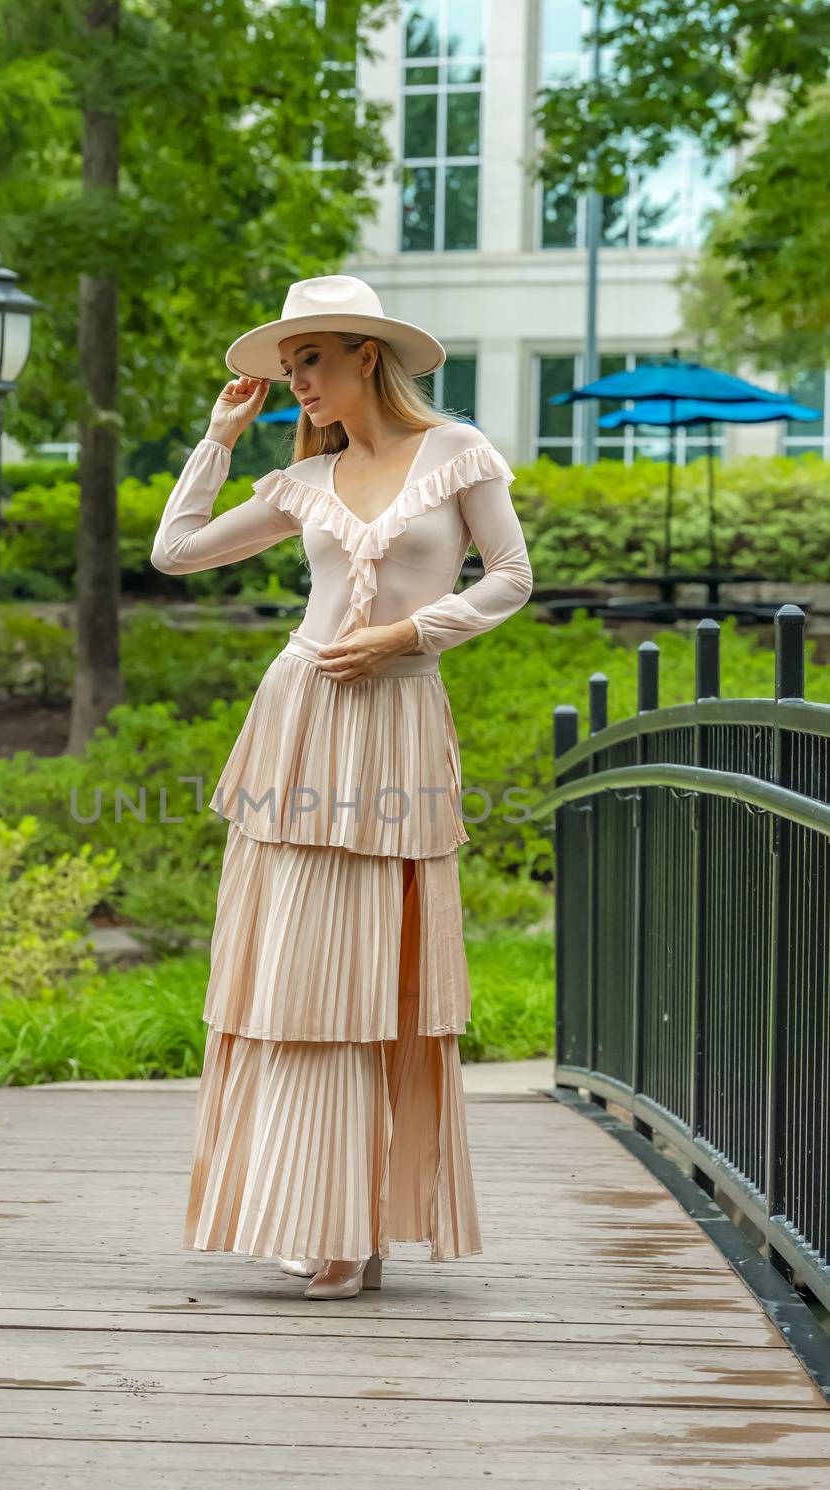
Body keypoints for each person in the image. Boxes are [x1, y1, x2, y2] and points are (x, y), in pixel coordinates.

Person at [151, 274, 533, 1300]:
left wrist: (410, 633)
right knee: (291, 978)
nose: (296, 382)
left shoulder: (454, 452)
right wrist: (219, 439)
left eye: (309, 359)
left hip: (397, 728)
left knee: (375, 982)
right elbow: (174, 551)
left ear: (366, 353)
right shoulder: (301, 484)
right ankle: (314, 1217)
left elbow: (508, 573)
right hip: (297, 730)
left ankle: (355, 1229)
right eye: (286, 368)